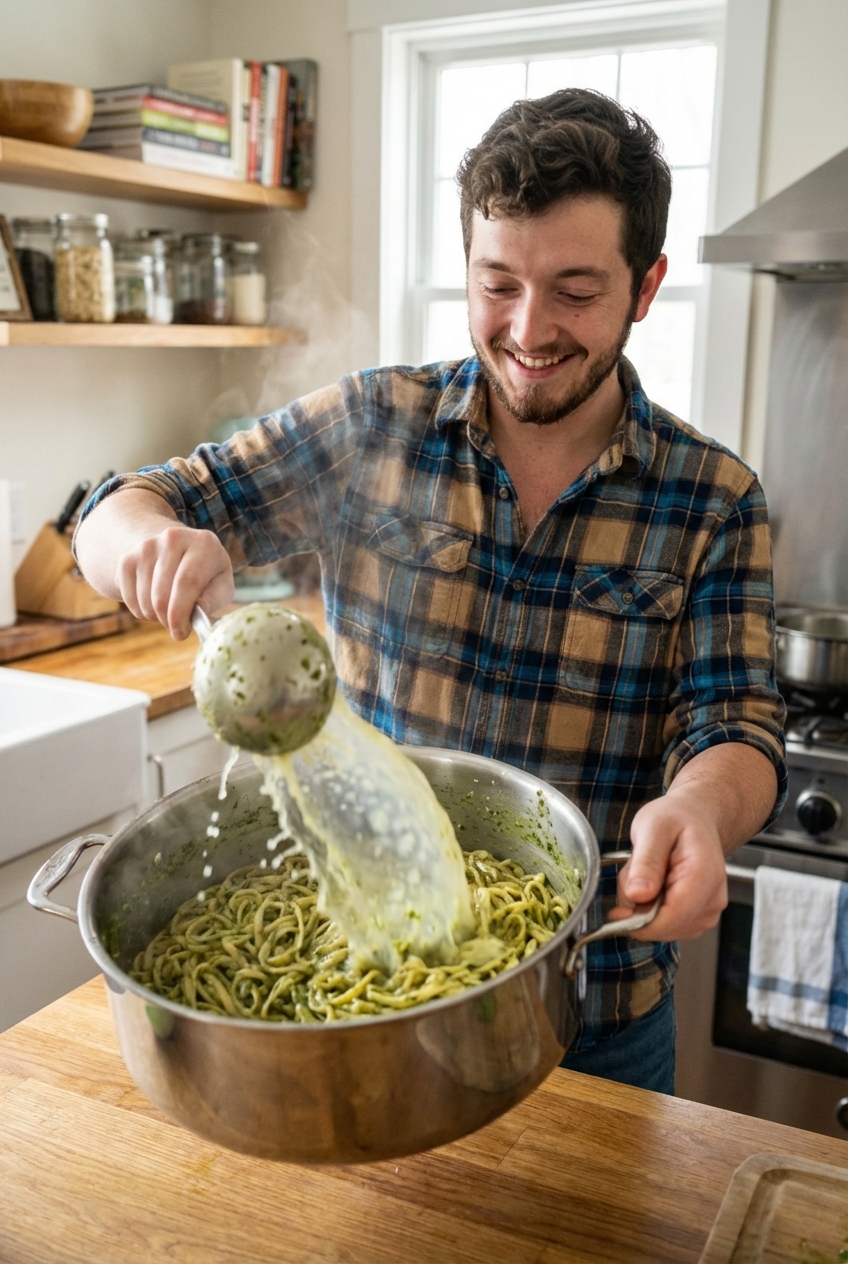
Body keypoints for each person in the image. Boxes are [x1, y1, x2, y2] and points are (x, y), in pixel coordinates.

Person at [75, 90, 786, 1094]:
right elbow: (125, 505)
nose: (527, 330)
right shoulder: (373, 420)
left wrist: (702, 814)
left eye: (573, 291)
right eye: (496, 283)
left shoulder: (713, 499)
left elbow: (736, 727)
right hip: (365, 986)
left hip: (592, 1003)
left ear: (646, 285)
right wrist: (142, 538)